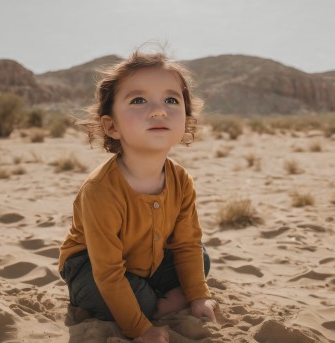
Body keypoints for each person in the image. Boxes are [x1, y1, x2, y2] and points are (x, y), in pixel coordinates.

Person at [58, 49, 217, 343]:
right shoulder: (101, 191)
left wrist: (197, 297)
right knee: (133, 302)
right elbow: (108, 273)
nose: (159, 110)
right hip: (91, 266)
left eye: (171, 100)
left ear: (186, 119)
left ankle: (159, 296)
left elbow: (186, 243)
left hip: (150, 259)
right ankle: (154, 301)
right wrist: (141, 330)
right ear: (112, 126)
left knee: (200, 257)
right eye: (138, 100)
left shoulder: (181, 180)